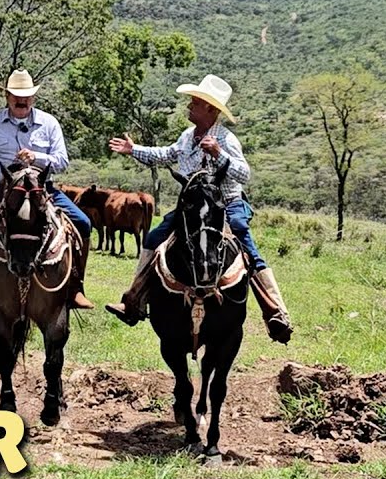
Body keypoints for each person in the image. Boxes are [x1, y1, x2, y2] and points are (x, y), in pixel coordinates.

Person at [104, 74, 292, 344]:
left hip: (226, 204)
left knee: (241, 235)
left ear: (211, 110)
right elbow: (167, 154)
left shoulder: (225, 139)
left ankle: (275, 311)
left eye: (195, 103)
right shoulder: (187, 136)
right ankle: (133, 300)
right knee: (154, 238)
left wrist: (219, 154)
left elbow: (244, 174)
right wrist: (134, 150)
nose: (189, 106)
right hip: (191, 207)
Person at [0, 69, 94, 309]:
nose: (22, 100)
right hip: (2, 190)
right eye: (17, 95)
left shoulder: (48, 123)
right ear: (7, 96)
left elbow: (61, 161)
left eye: (27, 96)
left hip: (42, 190)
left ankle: (75, 286)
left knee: (82, 223)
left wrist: (37, 156)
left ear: (34, 98)